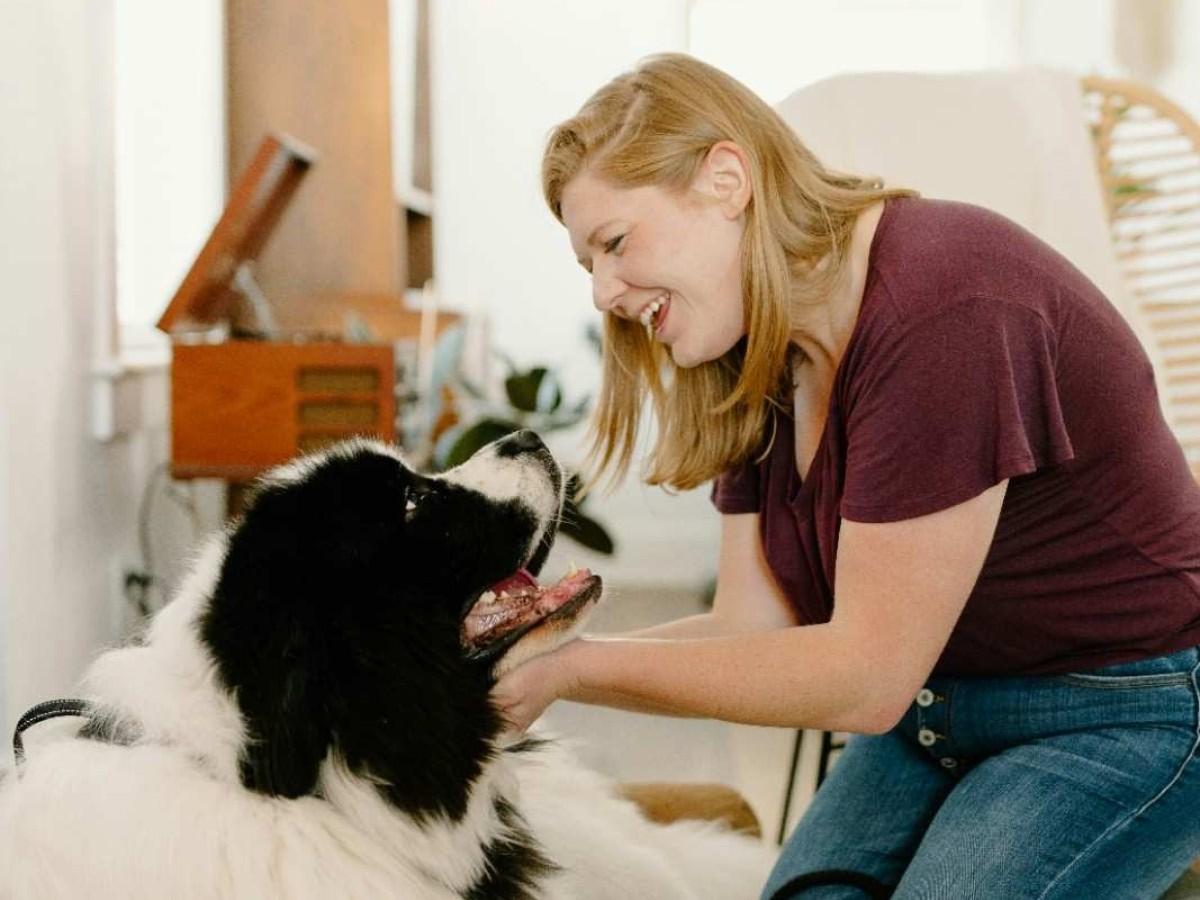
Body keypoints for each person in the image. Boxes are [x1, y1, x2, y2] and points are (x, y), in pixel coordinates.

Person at [493, 52, 1200, 899]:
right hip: (933, 717)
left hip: (1124, 710)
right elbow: (751, 622)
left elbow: (866, 680)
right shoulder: (759, 352)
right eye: (588, 266)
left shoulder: (947, 306)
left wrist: (572, 670)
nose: (606, 291)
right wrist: (548, 646)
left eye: (615, 243)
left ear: (726, 180)